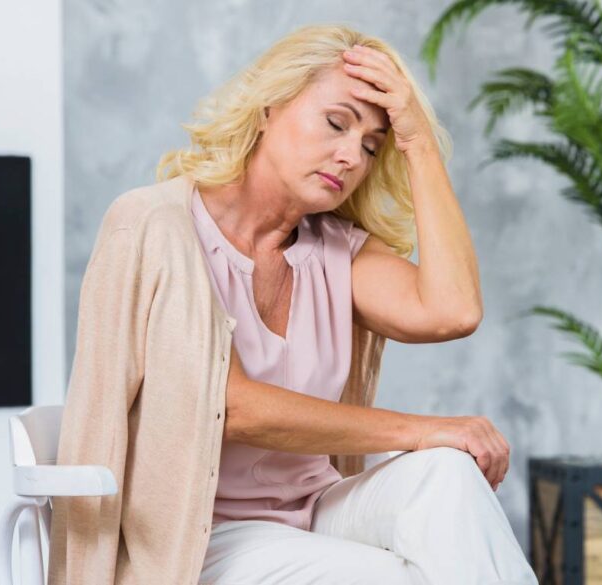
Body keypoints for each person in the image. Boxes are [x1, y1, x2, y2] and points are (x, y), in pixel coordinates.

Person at [48, 23, 538, 585]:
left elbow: (453, 311)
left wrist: (418, 140)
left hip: (318, 512)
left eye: (371, 146)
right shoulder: (157, 227)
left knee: (448, 474)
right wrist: (422, 429)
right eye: (336, 123)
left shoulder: (336, 252)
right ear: (268, 108)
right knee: (398, 575)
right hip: (203, 537)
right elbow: (230, 407)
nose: (351, 155)